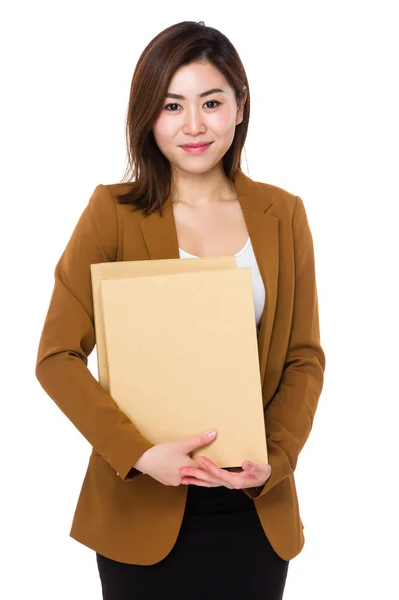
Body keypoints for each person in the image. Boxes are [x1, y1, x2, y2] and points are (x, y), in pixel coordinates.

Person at [35, 20, 325, 600]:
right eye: (172, 105)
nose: (194, 125)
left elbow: (303, 358)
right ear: (149, 116)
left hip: (253, 508)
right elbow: (57, 356)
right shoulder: (112, 212)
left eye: (211, 102)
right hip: (140, 508)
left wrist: (278, 458)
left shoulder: (283, 213)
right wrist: (139, 454)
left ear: (239, 107)